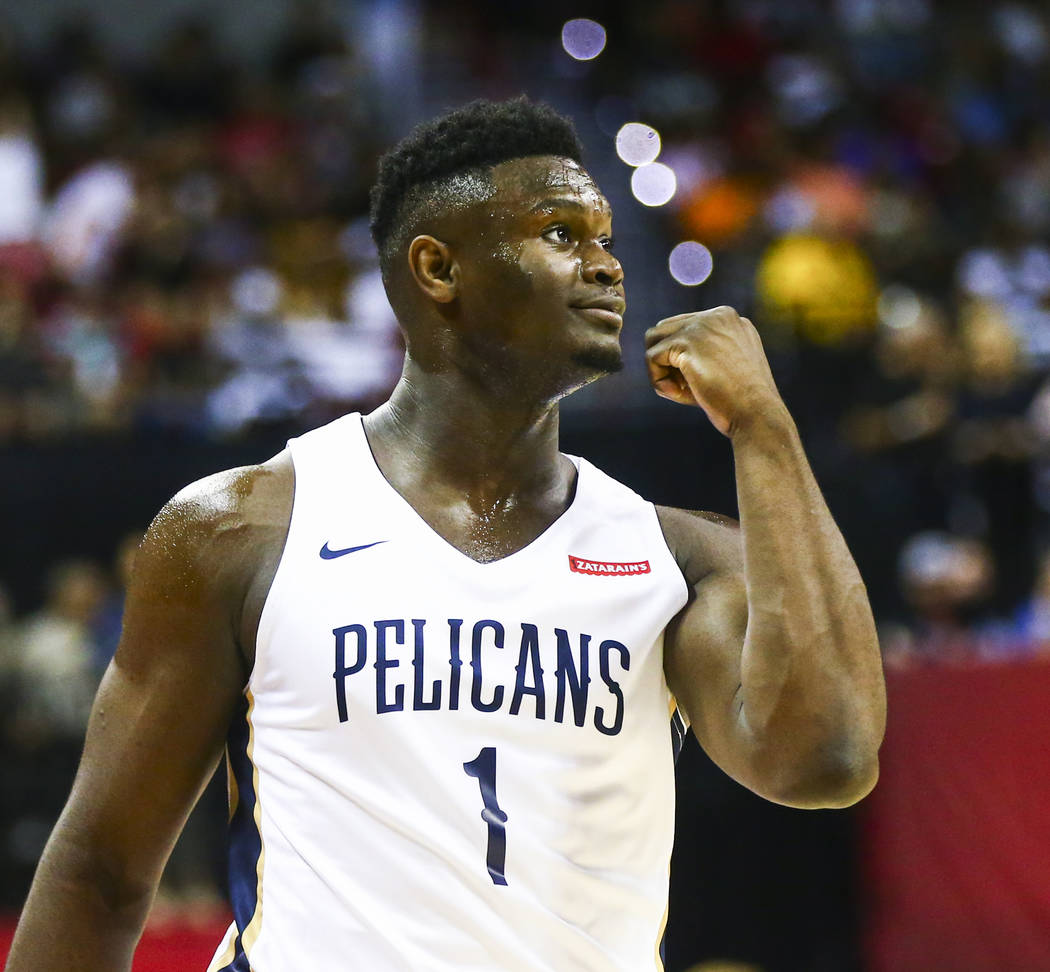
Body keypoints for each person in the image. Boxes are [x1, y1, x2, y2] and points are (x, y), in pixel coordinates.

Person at [6, 98, 886, 971]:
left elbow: (828, 761)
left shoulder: (675, 559)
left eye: (606, 239)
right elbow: (99, 870)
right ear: (437, 268)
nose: (606, 266)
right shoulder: (241, 529)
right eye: (561, 234)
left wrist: (764, 427)